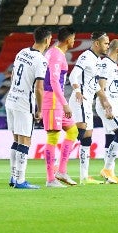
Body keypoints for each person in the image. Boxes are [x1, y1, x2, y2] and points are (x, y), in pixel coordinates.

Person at [6, 26, 51, 189]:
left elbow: (12, 76)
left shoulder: (22, 52)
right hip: (24, 102)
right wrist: (40, 109)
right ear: (47, 40)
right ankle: (20, 180)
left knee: (17, 139)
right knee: (25, 140)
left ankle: (13, 176)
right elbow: (39, 88)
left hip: (11, 99)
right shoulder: (41, 60)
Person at [68, 31, 110, 184]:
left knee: (87, 136)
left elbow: (94, 85)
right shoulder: (86, 56)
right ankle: (58, 166)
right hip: (81, 98)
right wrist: (78, 91)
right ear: (97, 43)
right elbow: (73, 75)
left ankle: (84, 177)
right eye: (106, 43)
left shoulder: (97, 60)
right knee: (80, 131)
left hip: (88, 100)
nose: (108, 46)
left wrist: (105, 100)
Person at [42, 26, 78, 187]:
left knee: (73, 130)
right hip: (53, 100)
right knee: (53, 137)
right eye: (74, 38)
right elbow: (54, 81)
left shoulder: (53, 52)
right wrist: (65, 104)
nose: (74, 41)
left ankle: (61, 171)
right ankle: (50, 179)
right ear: (69, 39)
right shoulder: (56, 54)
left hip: (56, 99)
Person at [97, 39, 118, 184]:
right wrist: (107, 106)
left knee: (110, 138)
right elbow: (101, 87)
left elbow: (112, 90)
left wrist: (116, 109)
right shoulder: (106, 64)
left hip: (111, 106)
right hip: (106, 106)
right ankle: (107, 169)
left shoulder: (113, 65)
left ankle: (110, 175)